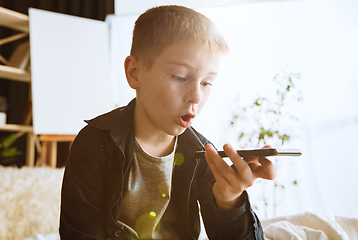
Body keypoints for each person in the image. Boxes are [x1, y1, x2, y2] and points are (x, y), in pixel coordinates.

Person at [59, 5, 276, 240]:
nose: (196, 96)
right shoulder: (94, 144)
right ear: (134, 73)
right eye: (180, 77)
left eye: (207, 83)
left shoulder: (203, 154)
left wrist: (230, 199)